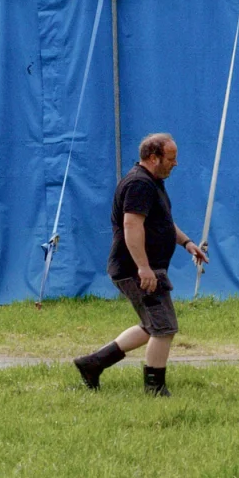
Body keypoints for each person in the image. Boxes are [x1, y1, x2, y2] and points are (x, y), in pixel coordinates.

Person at [78, 132, 205, 394]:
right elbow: (131, 225)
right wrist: (143, 268)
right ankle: (155, 390)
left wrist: (186, 243)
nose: (175, 163)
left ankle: (92, 363)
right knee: (164, 327)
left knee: (152, 325)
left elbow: (162, 222)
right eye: (171, 158)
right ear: (153, 157)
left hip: (141, 268)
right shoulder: (139, 184)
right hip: (136, 269)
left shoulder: (152, 181)